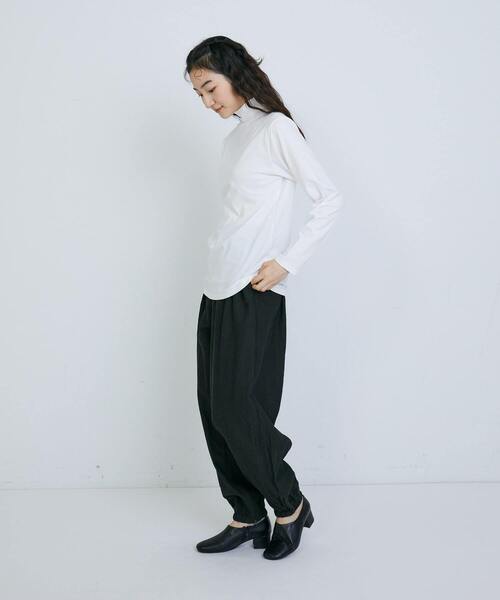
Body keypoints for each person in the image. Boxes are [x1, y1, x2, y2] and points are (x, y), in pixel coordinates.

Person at [184, 35, 344, 560]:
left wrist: (286, 263)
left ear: (235, 74)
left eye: (210, 88)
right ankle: (248, 512)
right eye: (199, 94)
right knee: (215, 411)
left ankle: (289, 503)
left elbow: (329, 199)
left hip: (254, 288)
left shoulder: (276, 129)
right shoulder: (235, 139)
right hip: (216, 286)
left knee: (238, 409)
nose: (207, 102)